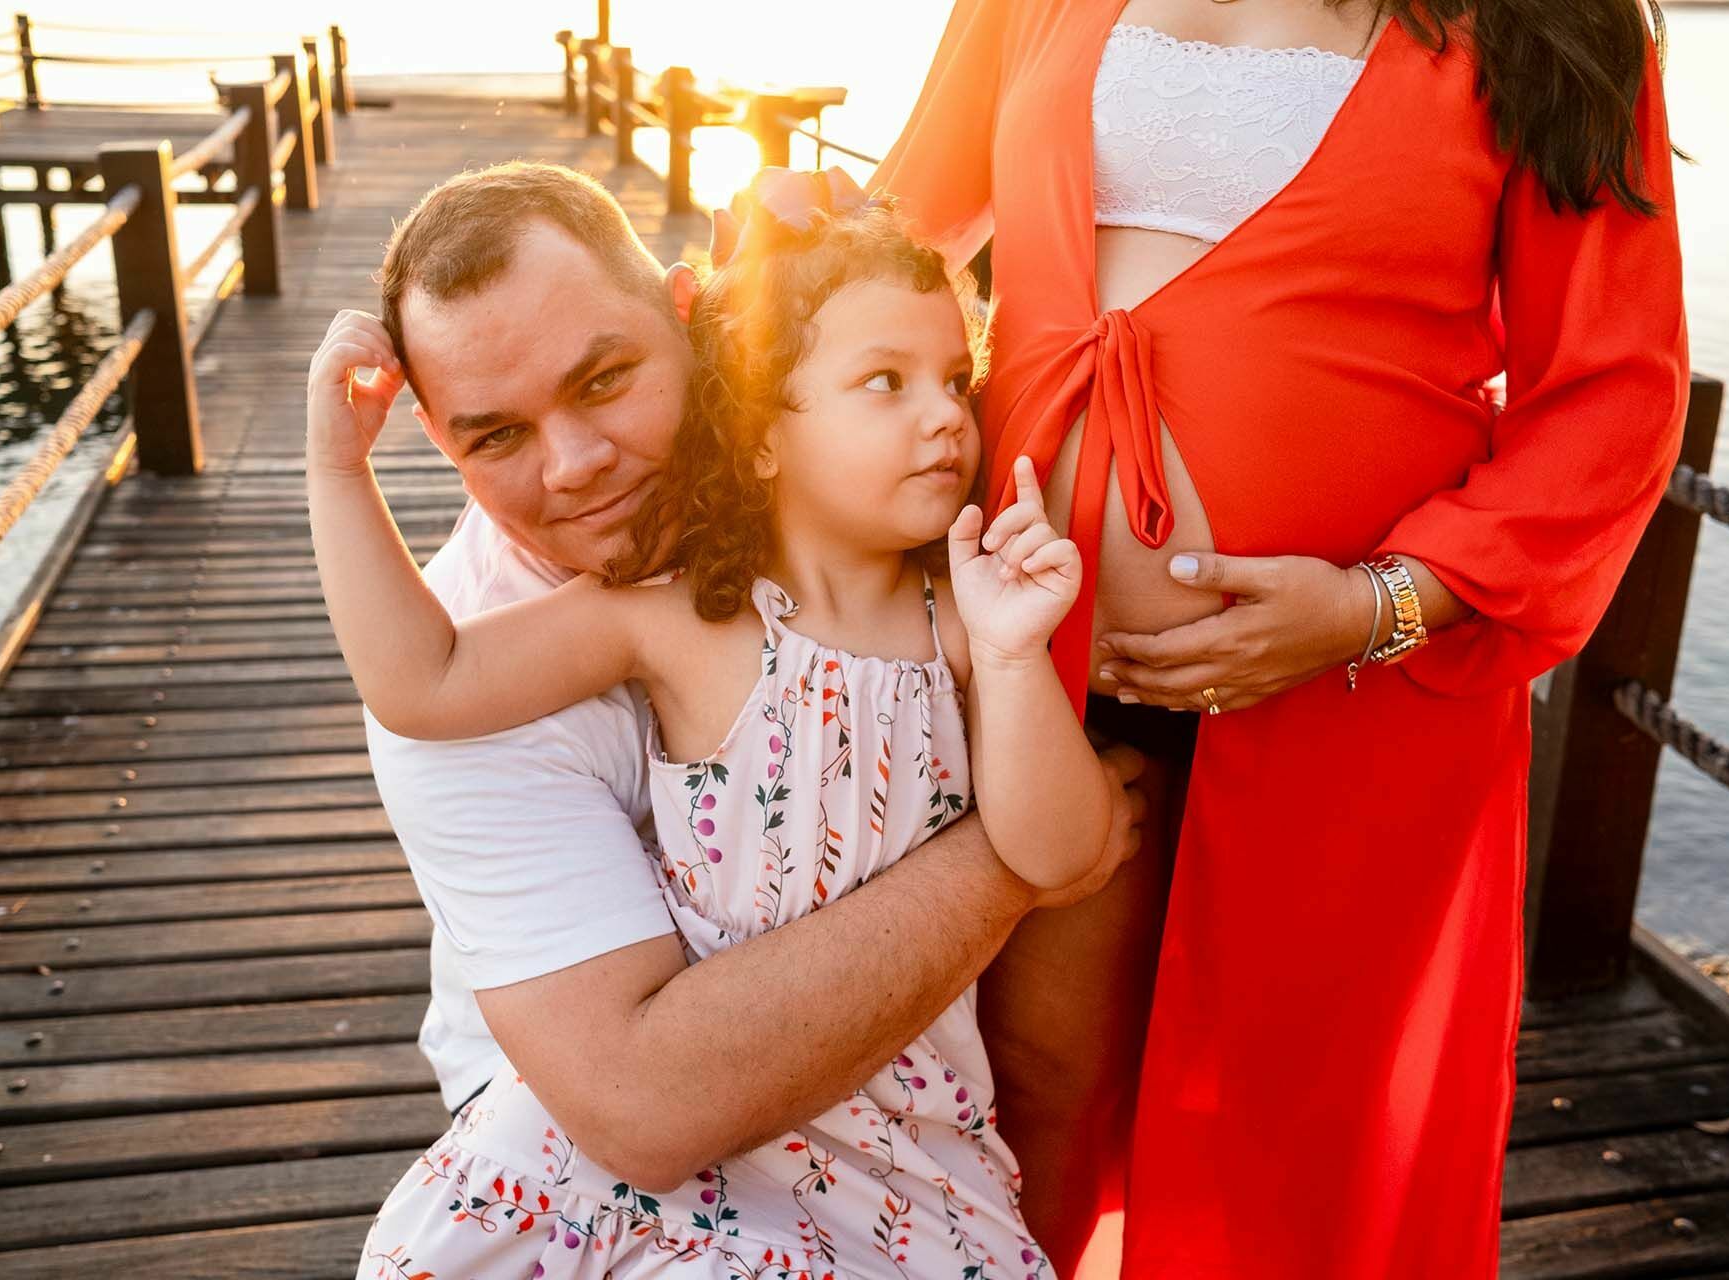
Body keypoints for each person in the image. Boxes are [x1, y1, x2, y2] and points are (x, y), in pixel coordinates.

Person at [874, 0, 1690, 1275]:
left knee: (1297, 1141)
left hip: (1358, 691)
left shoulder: (1555, 21)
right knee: (1025, 1089)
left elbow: (1612, 391)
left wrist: (1373, 608)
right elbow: (882, 240)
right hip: (1037, 661)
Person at [306, 163, 1147, 1276]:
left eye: (605, 379)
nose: (578, 465)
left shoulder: (875, 522)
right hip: (606, 1103)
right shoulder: (610, 623)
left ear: (691, 319)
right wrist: (332, 462)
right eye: (497, 437)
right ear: (440, 439)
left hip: (908, 1110)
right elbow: (646, 1111)